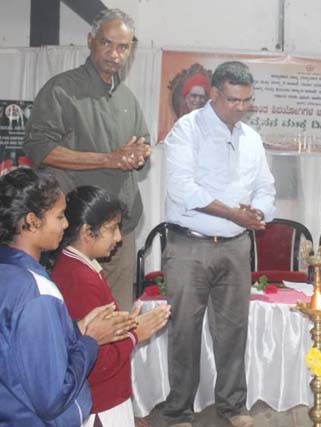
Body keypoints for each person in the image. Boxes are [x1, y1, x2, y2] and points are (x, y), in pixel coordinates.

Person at [161, 61, 276, 427]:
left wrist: (257, 212)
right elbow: (183, 188)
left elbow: (266, 187)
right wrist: (233, 214)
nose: (240, 108)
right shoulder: (187, 130)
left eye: (246, 100)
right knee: (184, 330)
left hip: (236, 246)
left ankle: (233, 406)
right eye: (233, 100)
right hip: (189, 246)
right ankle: (179, 411)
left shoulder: (251, 138)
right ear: (214, 94)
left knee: (233, 330)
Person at [23, 8, 151, 311]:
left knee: (118, 318)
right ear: (90, 40)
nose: (114, 54)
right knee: (74, 319)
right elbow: (39, 148)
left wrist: (139, 155)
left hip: (119, 232)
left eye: (123, 47)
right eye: (106, 43)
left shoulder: (127, 98)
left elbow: (142, 147)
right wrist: (108, 159)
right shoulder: (61, 89)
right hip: (74, 232)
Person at [0, 168, 136, 426]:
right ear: (32, 221)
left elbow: (17, 348)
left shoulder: (8, 270)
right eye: (60, 216)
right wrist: (90, 341)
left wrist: (75, 329)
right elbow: (51, 398)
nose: (65, 224)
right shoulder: (36, 292)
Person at [51, 185, 171, 427]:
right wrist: (135, 335)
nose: (118, 238)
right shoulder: (78, 280)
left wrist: (126, 325)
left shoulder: (82, 267)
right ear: (88, 232)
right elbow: (96, 362)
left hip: (107, 398)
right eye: (112, 228)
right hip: (100, 406)